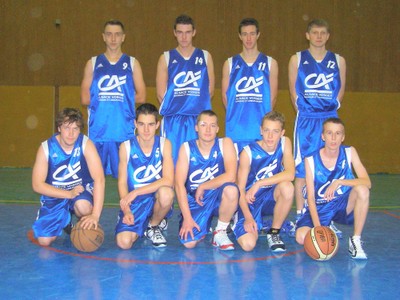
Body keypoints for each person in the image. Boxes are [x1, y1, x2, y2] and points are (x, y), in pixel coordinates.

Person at [288, 19, 346, 237]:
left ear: (328, 36)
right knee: (302, 169)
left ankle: (326, 217)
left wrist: (328, 110)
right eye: (315, 32)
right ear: (307, 35)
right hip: (306, 120)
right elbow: (294, 93)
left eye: (323, 32)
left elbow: (340, 92)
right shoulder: (297, 59)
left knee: (329, 168)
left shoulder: (338, 60)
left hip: (329, 118)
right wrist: (307, 111)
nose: (319, 36)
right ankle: (301, 214)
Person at [295, 118, 370, 259]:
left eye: (338, 133)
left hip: (342, 205)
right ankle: (327, 226)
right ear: (323, 136)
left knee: (362, 190)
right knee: (301, 237)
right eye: (329, 133)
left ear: (343, 137)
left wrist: (339, 182)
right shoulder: (310, 160)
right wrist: (318, 228)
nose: (333, 138)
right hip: (319, 208)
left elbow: (367, 182)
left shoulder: (350, 152)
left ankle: (355, 240)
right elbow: (310, 197)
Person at [81, 19, 146, 177]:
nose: (113, 38)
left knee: (128, 178)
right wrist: (107, 102)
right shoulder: (93, 63)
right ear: (103, 37)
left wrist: (121, 102)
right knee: (94, 179)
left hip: (123, 131)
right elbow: (84, 98)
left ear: (123, 37)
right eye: (109, 34)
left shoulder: (132, 63)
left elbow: (142, 96)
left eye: (117, 34)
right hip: (98, 131)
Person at [32, 108, 105, 246]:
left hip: (80, 192)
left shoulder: (86, 144)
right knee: (44, 241)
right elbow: (37, 185)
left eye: (75, 129)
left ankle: (81, 222)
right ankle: (65, 220)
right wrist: (68, 193)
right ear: (59, 127)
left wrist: (95, 215)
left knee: (84, 207)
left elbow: (99, 180)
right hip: (56, 194)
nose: (71, 133)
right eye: (67, 128)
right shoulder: (46, 148)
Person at [175, 110, 239, 250]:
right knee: (189, 243)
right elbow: (179, 185)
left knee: (232, 190)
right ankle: (204, 223)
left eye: (212, 125)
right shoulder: (186, 148)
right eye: (203, 125)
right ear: (196, 127)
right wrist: (187, 218)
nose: (208, 129)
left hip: (218, 198)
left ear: (217, 129)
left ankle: (220, 231)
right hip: (197, 200)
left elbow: (231, 175)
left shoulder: (225, 143)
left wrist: (203, 186)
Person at [156, 14, 215, 164]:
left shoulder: (205, 56)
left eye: (187, 32)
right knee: (172, 161)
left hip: (197, 119)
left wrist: (194, 108)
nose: (184, 37)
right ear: (174, 33)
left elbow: (210, 90)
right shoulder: (166, 58)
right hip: (173, 120)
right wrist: (179, 108)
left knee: (198, 161)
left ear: (194, 32)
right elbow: (160, 94)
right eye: (180, 32)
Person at [233, 111, 295, 252]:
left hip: (270, 197)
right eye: (266, 130)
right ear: (261, 130)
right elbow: (240, 189)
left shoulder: (285, 143)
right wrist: (248, 218)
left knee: (287, 187)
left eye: (275, 131)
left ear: (282, 133)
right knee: (248, 245)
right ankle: (246, 221)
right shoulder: (248, 153)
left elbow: (290, 174)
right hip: (249, 201)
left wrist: (259, 183)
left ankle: (274, 232)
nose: (270, 136)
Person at [115, 103, 175, 249]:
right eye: (141, 124)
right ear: (135, 124)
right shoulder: (126, 147)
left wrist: (136, 192)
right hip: (135, 203)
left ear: (157, 125)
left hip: (156, 198)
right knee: (124, 243)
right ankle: (146, 222)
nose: (146, 129)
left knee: (167, 193)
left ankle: (153, 225)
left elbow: (168, 180)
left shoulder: (164, 144)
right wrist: (126, 209)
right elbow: (122, 182)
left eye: (150, 124)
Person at [222, 17, 278, 153]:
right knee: (235, 173)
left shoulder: (271, 63)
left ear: (258, 35)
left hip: (260, 132)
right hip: (236, 131)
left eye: (252, 34)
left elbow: (273, 98)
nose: (249, 38)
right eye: (245, 34)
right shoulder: (229, 63)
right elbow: (225, 98)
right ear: (239, 36)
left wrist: (265, 127)